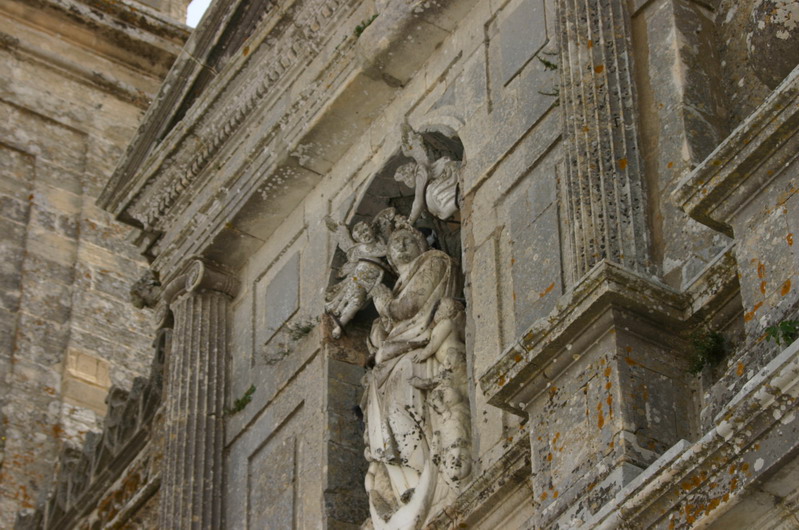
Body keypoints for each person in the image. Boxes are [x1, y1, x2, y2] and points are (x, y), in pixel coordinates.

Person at [362, 222, 468, 529]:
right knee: (379, 403)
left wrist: (384, 303)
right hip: (396, 353)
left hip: (419, 346)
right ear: (389, 257)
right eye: (395, 243)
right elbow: (384, 330)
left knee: (403, 384)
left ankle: (424, 466)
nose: (401, 246)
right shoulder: (399, 284)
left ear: (422, 244)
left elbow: (409, 307)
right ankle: (406, 483)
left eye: (407, 239)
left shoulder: (434, 262)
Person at [324, 217, 387, 338]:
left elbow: (382, 269)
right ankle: (336, 308)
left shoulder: (382, 247)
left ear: (372, 229)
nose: (365, 235)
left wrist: (376, 284)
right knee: (346, 293)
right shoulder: (359, 250)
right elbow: (352, 261)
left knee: (357, 301)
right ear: (358, 240)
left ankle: (340, 325)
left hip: (370, 281)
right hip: (356, 277)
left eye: (366, 230)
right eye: (361, 235)